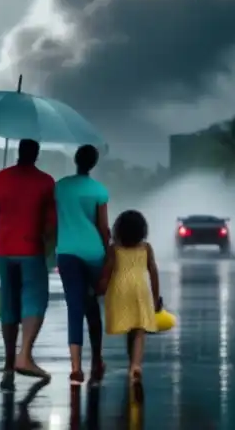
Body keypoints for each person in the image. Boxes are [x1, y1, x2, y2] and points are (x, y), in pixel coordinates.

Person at [0, 138, 56, 388]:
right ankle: (25, 357)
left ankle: (9, 362)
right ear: (36, 155)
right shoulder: (46, 181)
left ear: (17, 152)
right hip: (31, 248)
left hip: (5, 249)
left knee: (9, 303)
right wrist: (49, 249)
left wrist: (2, 205)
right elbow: (52, 223)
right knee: (34, 299)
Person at [54, 144, 110, 386]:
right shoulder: (99, 190)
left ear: (75, 160)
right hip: (93, 253)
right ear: (94, 164)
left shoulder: (60, 187)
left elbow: (54, 216)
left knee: (74, 307)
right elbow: (103, 228)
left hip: (67, 252)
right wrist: (108, 255)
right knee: (92, 306)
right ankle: (96, 359)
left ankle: (75, 367)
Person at [99, 210, 161, 385]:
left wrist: (100, 287)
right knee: (139, 330)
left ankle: (131, 363)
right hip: (140, 290)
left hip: (119, 290)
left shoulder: (114, 249)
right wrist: (155, 297)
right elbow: (153, 272)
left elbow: (107, 271)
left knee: (129, 327)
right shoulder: (146, 248)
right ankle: (136, 365)